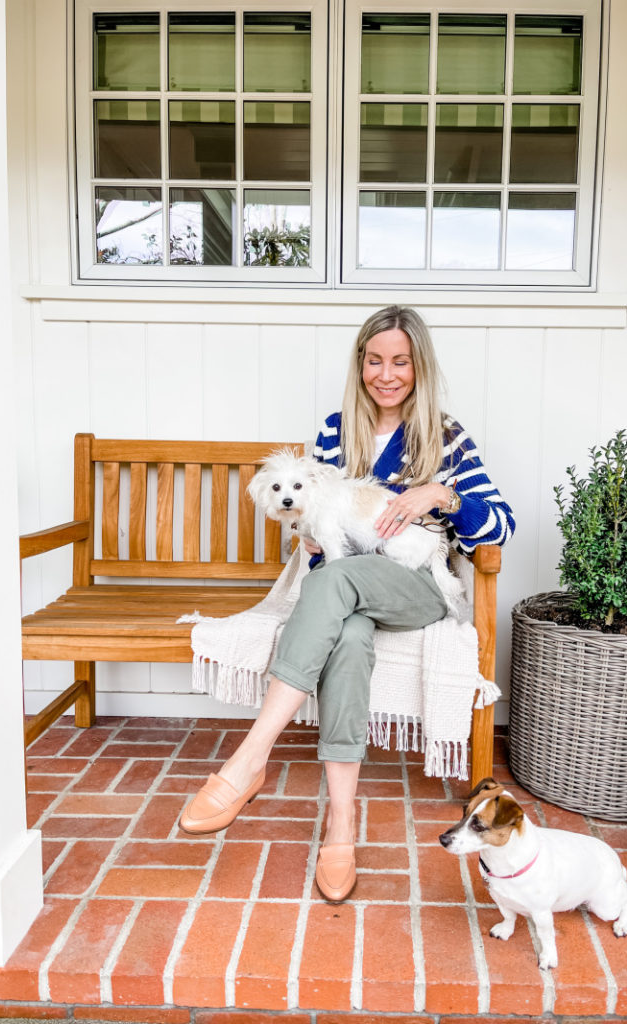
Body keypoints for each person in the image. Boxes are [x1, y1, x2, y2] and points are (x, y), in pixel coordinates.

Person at [179, 305, 515, 902]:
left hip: (415, 589)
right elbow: (315, 530)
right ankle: (341, 823)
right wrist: (308, 536)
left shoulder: (446, 437)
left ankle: (249, 759)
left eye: (400, 362)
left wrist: (444, 494)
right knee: (350, 634)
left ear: (419, 367)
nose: (386, 374)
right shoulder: (337, 430)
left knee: (335, 586)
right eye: (375, 360)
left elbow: (498, 529)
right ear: (361, 363)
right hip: (349, 591)